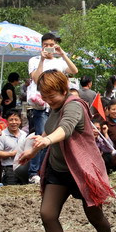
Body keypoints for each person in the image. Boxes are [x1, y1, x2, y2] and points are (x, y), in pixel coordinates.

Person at [15, 70, 116, 232]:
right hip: (58, 169)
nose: (47, 101)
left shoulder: (74, 106)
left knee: (94, 216)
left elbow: (65, 129)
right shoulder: (55, 106)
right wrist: (33, 150)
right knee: (47, 213)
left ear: (63, 90)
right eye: (44, 97)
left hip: (80, 170)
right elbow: (50, 130)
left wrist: (47, 141)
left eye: (51, 97)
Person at [26, 33, 78, 183]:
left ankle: (45, 169)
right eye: (46, 44)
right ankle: (33, 172)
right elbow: (36, 79)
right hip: (41, 103)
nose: (49, 47)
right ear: (41, 45)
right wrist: (42, 59)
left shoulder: (60, 61)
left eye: (51, 45)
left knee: (54, 137)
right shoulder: (34, 60)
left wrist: (63, 54)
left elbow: (74, 71)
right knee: (41, 136)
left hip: (57, 105)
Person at [0, 111, 25, 184]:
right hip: (8, 168)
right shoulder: (1, 135)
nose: (14, 122)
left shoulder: (24, 134)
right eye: (11, 120)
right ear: (7, 121)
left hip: (23, 167)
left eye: (16, 119)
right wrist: (12, 154)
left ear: (20, 121)